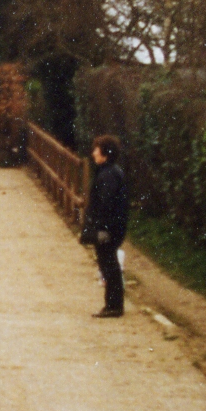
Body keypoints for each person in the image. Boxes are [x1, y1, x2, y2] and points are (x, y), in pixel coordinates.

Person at [80, 135, 129, 317]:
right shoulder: (109, 172)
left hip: (108, 228)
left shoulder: (108, 175)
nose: (93, 153)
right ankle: (113, 304)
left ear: (105, 153)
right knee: (107, 263)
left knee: (109, 264)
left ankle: (114, 305)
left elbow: (106, 203)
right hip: (112, 226)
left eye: (96, 149)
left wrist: (101, 228)